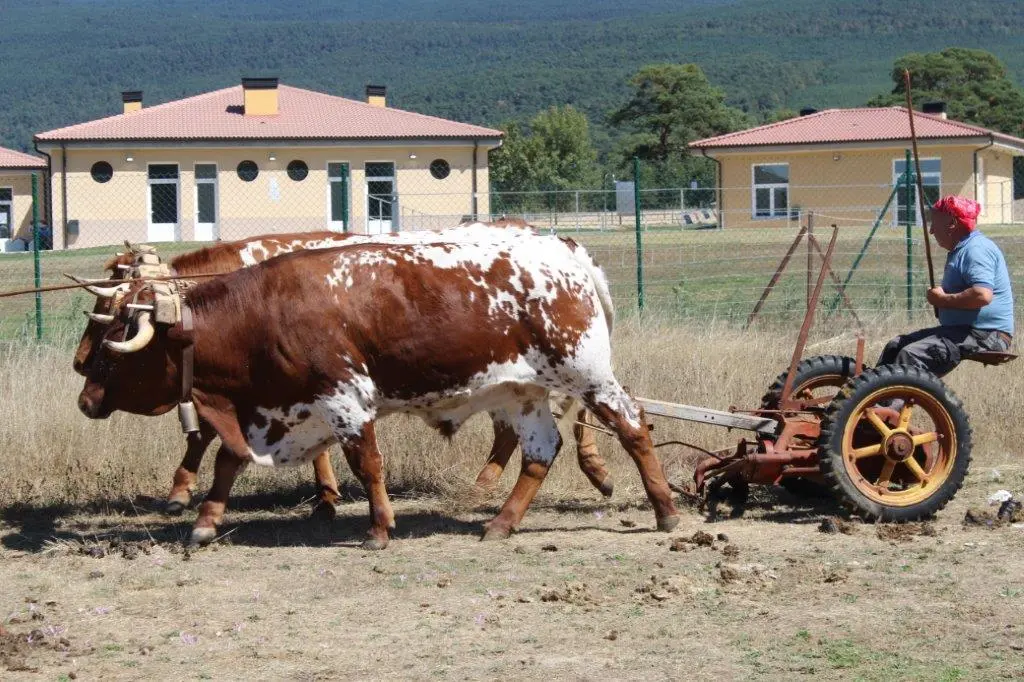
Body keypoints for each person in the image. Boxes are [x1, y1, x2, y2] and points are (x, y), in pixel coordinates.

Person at [877, 195, 1014, 378]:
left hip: (986, 334)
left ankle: (890, 395)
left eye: (934, 223)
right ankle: (870, 390)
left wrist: (943, 300)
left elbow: (982, 295)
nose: (931, 230)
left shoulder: (976, 249)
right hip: (964, 330)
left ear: (951, 223)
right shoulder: (962, 249)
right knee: (895, 346)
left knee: (910, 355)